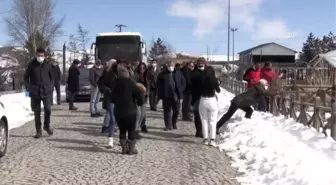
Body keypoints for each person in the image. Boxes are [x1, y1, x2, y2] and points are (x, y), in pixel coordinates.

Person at [110, 65, 144, 155]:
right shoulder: (131, 84)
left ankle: (124, 149)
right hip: (130, 111)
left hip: (119, 111)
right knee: (131, 130)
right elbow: (140, 96)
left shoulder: (115, 84)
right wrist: (139, 103)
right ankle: (131, 149)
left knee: (122, 130)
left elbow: (111, 98)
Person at [24, 48, 54, 138]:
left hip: (46, 92)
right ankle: (38, 131)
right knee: (37, 112)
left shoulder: (48, 65)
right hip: (35, 92)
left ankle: (46, 126)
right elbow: (25, 78)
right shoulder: (31, 65)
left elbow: (52, 78)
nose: (40, 57)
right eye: (38, 55)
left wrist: (51, 87)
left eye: (42, 56)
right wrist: (29, 87)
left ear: (44, 56)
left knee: (48, 109)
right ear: (36, 55)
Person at [157, 61, 186, 131]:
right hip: (166, 95)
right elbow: (159, 85)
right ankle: (168, 125)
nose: (170, 67)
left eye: (172, 65)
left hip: (176, 95)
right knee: (167, 111)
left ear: (174, 66)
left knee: (176, 110)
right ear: (167, 66)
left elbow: (183, 82)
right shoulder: (162, 74)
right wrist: (161, 94)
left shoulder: (179, 73)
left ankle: (174, 123)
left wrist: (180, 90)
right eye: (169, 65)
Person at [98, 59, 118, 148]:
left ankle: (122, 138)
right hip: (111, 98)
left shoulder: (121, 73)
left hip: (121, 98)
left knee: (120, 118)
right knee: (112, 117)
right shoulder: (107, 73)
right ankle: (110, 138)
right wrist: (107, 90)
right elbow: (101, 84)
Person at [199, 66, 220, 146]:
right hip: (212, 100)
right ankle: (212, 139)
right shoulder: (214, 80)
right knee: (212, 121)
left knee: (204, 120)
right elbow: (218, 90)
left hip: (203, 100)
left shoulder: (201, 79)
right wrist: (218, 84)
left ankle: (205, 139)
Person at [190, 57, 207, 137]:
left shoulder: (208, 72)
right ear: (197, 64)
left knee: (204, 115)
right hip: (196, 96)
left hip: (206, 96)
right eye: (199, 63)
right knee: (197, 115)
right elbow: (192, 81)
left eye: (202, 63)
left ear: (205, 63)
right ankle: (198, 131)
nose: (201, 64)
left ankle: (204, 131)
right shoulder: (194, 73)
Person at [134, 62, 149, 138]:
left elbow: (147, 88)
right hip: (136, 98)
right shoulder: (136, 75)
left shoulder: (146, 76)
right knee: (138, 114)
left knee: (143, 115)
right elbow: (133, 84)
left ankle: (137, 129)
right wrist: (140, 86)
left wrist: (146, 96)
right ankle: (135, 131)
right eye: (140, 67)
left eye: (143, 67)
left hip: (143, 98)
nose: (142, 69)